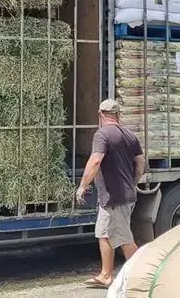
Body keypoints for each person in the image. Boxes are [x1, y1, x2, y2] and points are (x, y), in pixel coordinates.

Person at [75, 98, 146, 289]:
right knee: (104, 234)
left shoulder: (102, 134)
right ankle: (106, 275)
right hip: (122, 195)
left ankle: (146, 274)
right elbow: (140, 163)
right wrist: (133, 182)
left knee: (124, 239)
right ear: (118, 115)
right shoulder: (130, 135)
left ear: (100, 115)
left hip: (115, 197)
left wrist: (82, 185)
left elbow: (96, 160)